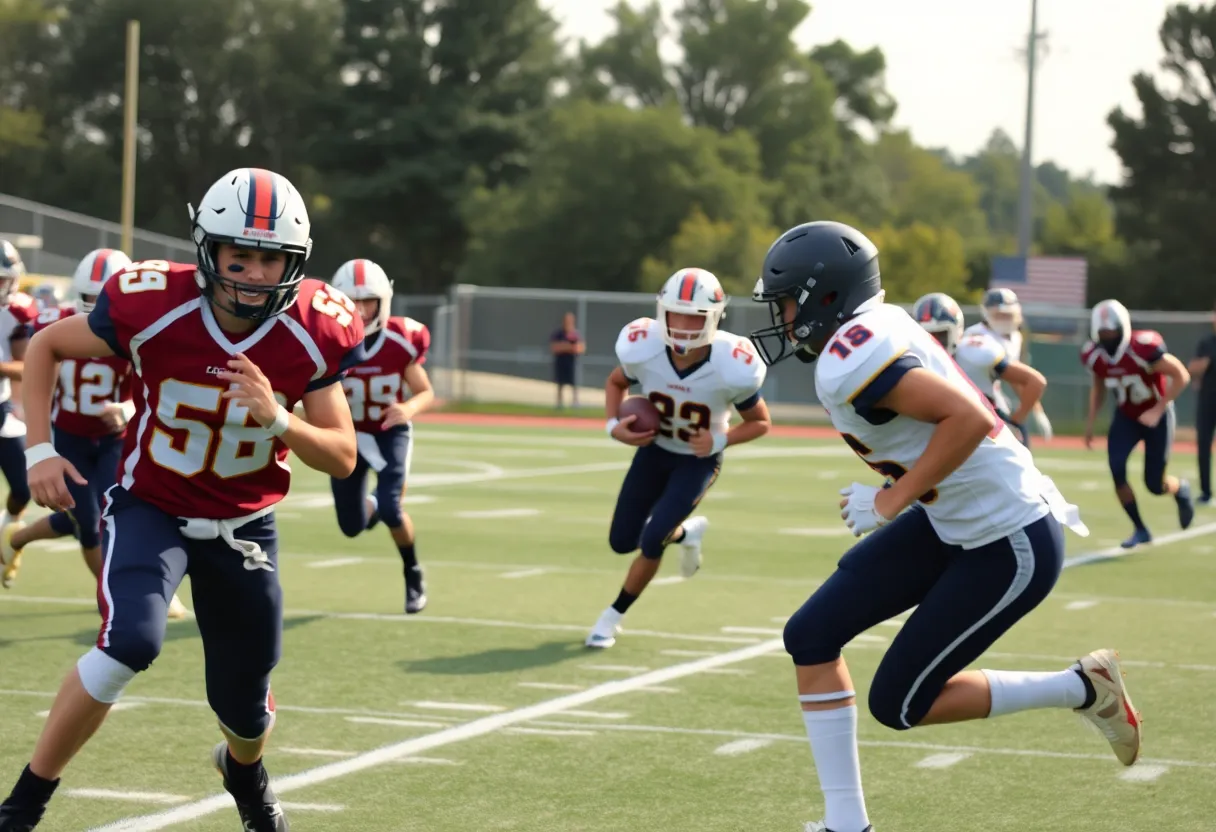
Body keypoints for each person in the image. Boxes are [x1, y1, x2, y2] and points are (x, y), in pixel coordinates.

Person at [0, 167, 363, 832]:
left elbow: (342, 455)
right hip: (151, 506)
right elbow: (49, 344)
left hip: (245, 523)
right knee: (128, 643)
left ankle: (243, 771)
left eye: (271, 259)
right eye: (239, 257)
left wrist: (278, 419)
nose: (254, 274)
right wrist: (39, 450)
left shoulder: (312, 329)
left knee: (246, 708)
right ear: (208, 253)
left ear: (295, 261)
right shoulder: (153, 301)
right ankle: (24, 803)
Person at [749, 221, 1140, 832]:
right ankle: (845, 824)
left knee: (899, 704)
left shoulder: (851, 354)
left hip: (1008, 538)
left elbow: (969, 417)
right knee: (811, 633)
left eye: (790, 300)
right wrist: (904, 493)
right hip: (951, 519)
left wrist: (891, 499)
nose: (783, 315)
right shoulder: (871, 330)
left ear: (827, 296)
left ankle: (1084, 688)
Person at [586, 268, 770, 649]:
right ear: (661, 312)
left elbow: (761, 423)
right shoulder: (644, 346)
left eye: (695, 317)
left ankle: (612, 616)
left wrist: (722, 438)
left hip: (696, 462)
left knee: (653, 539)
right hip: (654, 453)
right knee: (622, 541)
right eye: (677, 314)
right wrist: (612, 425)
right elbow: (616, 382)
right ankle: (687, 533)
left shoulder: (732, 363)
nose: (684, 326)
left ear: (715, 318)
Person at [329, 258, 434, 614]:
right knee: (351, 526)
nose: (359, 310)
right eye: (351, 301)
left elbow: (425, 391)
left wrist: (408, 409)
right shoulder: (329, 342)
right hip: (349, 436)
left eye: (367, 301)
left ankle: (412, 571)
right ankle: (370, 505)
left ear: (383, 301)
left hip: (390, 432)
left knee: (392, 509)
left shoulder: (401, 339)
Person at [1082, 298, 1194, 548]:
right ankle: (1140, 529)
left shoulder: (1142, 348)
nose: (1107, 336)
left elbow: (1181, 375)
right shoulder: (1095, 355)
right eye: (1102, 332)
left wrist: (1158, 409)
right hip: (1126, 417)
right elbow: (1098, 385)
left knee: (1155, 484)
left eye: (1111, 331)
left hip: (1157, 416)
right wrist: (1090, 422)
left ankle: (1180, 488)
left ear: (1122, 328)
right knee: (1116, 467)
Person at [912, 292, 1046, 446]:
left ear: (956, 331)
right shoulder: (912, 358)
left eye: (940, 334)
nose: (933, 341)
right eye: (927, 335)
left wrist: (1017, 420)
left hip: (989, 424)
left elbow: (1035, 381)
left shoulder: (975, 351)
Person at [978, 288, 1054, 441]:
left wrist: (1037, 411)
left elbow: (1015, 378)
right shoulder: (978, 337)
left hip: (993, 398)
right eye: (998, 315)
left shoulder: (1014, 337)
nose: (1003, 320)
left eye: (1007, 315)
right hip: (975, 400)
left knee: (1020, 439)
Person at [0, 239, 38, 544]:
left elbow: (26, 366)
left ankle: (7, 526)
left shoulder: (18, 311)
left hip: (0, 408)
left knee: (24, 487)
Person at [1188, 304, 1216, 506]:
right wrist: (1202, 365)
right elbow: (1192, 370)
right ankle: (1206, 492)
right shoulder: (1206, 343)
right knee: (1203, 445)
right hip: (1207, 401)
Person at [550, 311, 584, 409]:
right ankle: (559, 403)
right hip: (561, 362)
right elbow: (555, 347)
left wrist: (566, 347)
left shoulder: (575, 334)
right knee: (560, 383)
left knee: (574, 382)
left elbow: (580, 348)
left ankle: (575, 402)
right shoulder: (558, 334)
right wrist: (569, 347)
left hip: (572, 362)